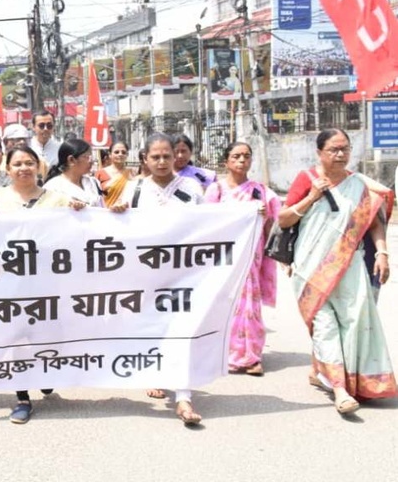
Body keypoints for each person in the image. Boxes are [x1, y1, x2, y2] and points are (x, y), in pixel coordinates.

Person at [278, 128, 397, 414]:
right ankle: (340, 389)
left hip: (351, 266)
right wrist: (312, 197)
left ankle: (342, 376)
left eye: (345, 148)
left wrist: (382, 253)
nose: (341, 154)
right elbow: (282, 220)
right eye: (334, 149)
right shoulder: (306, 180)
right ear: (320, 152)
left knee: (354, 321)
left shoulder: (358, 184)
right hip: (311, 266)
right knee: (325, 325)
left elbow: (374, 222)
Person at [0, 145, 86, 424]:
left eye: (29, 162)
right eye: (17, 164)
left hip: (48, 284)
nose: (23, 168)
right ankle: (22, 397)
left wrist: (81, 213)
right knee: (14, 339)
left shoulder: (59, 200)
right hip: (9, 286)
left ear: (39, 166)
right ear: (7, 170)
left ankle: (45, 375)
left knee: (48, 337)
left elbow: (83, 230)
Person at [117, 133, 205, 426]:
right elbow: (118, 229)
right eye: (155, 156)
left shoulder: (191, 188)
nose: (163, 161)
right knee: (153, 326)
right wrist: (116, 213)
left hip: (184, 271)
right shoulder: (134, 190)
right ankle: (154, 373)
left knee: (182, 328)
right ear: (144, 159)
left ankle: (183, 395)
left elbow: (211, 225)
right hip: (147, 273)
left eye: (167, 155)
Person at [204, 142, 281, 376]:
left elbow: (275, 223)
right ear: (226, 161)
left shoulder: (261, 192)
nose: (241, 161)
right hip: (224, 257)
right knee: (226, 304)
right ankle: (226, 354)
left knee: (249, 306)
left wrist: (263, 216)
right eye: (236, 156)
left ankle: (251, 356)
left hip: (251, 256)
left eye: (246, 156)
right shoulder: (216, 191)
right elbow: (206, 223)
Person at [43, 138, 103, 206]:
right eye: (87, 157)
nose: (91, 161)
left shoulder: (93, 182)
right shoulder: (53, 187)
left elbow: (102, 207)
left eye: (91, 157)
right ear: (71, 160)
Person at [101, 141, 133, 207]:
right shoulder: (100, 173)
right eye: (116, 152)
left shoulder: (132, 173)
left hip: (127, 213)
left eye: (123, 152)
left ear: (127, 155)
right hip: (105, 213)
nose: (120, 154)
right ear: (110, 154)